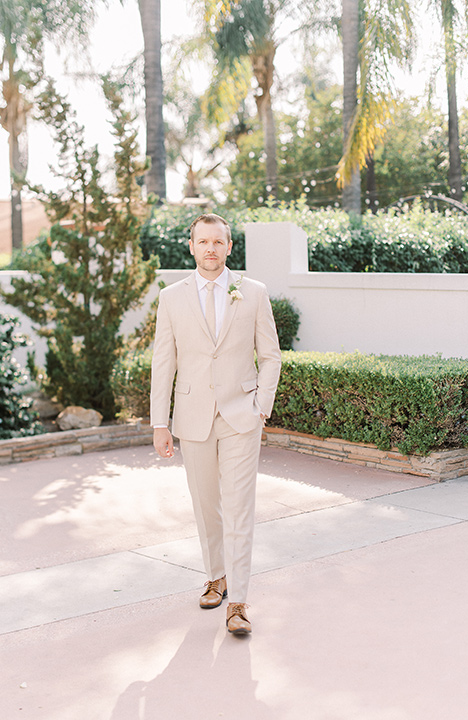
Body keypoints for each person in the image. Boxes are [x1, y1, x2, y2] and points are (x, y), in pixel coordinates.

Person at [151, 213, 281, 635]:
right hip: (192, 417)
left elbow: (271, 354)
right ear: (191, 246)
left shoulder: (254, 292)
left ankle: (239, 602)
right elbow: (163, 363)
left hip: (242, 415)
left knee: (240, 508)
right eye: (202, 241)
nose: (210, 248)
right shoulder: (171, 298)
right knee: (207, 506)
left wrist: (262, 404)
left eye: (218, 242)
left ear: (229, 247)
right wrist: (160, 423)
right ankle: (217, 577)